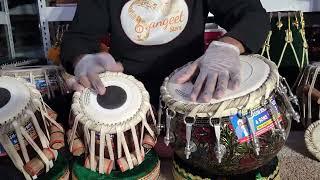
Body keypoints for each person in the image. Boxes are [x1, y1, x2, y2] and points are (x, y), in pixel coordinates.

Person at [61, 0, 270, 105]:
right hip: (127, 95)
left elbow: (252, 14)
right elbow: (77, 37)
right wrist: (83, 60)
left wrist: (227, 46)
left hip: (190, 92)